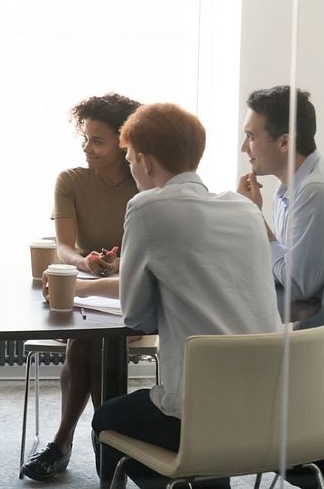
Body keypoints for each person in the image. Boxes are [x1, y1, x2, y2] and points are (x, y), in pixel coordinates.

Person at [69, 103, 282, 489]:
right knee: (206, 431)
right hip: (268, 409)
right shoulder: (244, 209)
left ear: (146, 162)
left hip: (197, 415)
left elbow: (138, 318)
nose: (132, 170)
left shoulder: (147, 206)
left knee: (107, 421)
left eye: (131, 159)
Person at [22, 93, 140, 481]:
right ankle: (106, 443)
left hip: (131, 291)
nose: (88, 148)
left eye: (98, 141)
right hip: (85, 288)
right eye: (85, 139)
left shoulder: (144, 183)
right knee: (86, 339)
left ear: (124, 144)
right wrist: (85, 263)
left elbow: (150, 255)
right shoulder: (71, 180)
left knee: (88, 342)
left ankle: (63, 443)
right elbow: (65, 247)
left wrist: (119, 263)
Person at [236, 85, 324, 488]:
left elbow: (298, 281)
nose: (244, 147)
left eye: (252, 136)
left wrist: (256, 222)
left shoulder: (313, 192)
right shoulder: (290, 191)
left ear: (284, 142)